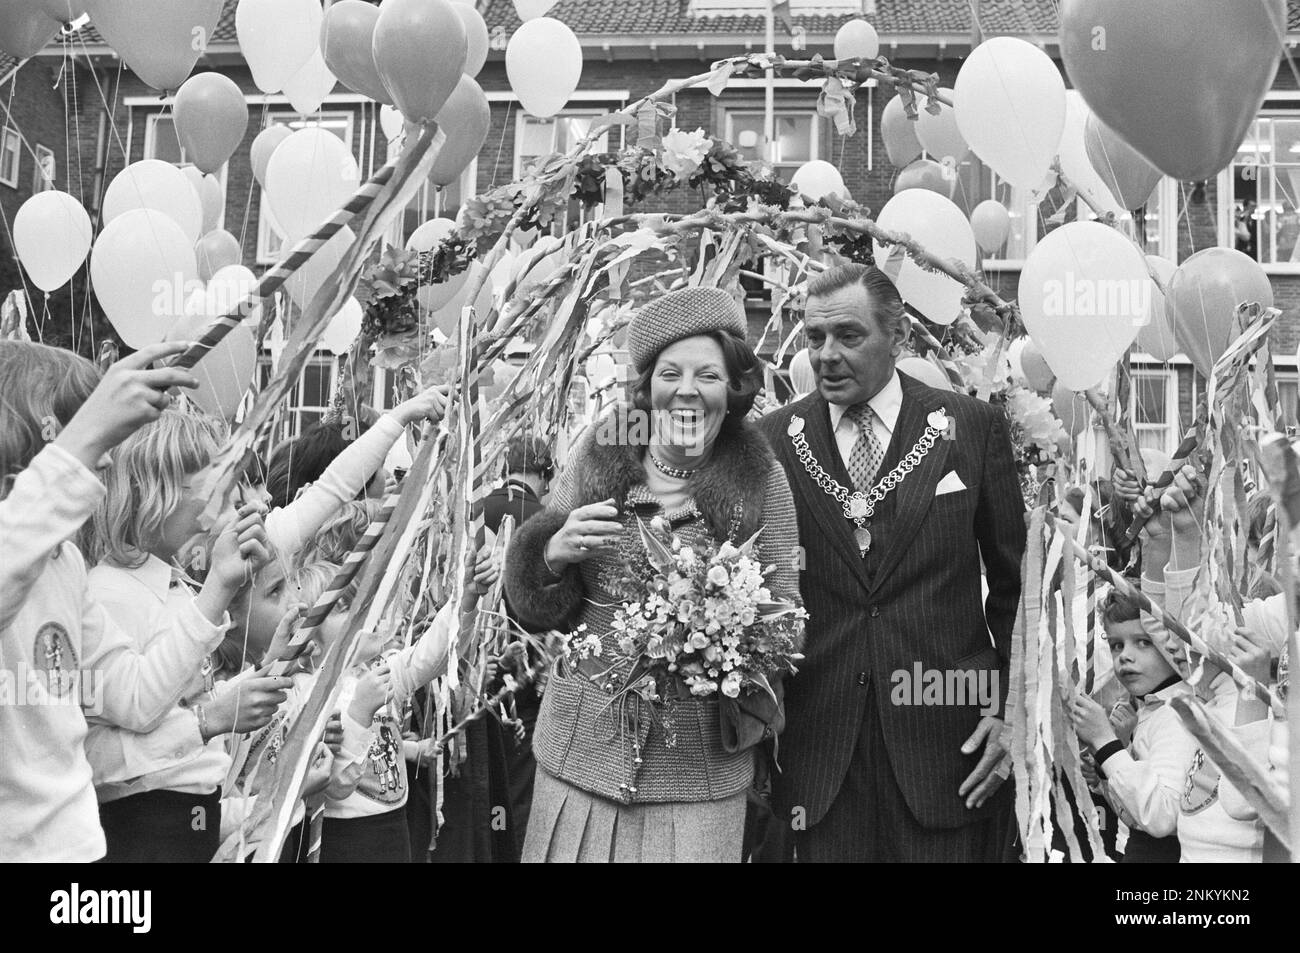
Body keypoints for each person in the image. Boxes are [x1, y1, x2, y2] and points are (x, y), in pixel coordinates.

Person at [505, 285, 801, 863]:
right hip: (579, 755)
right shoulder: (600, 453)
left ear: (734, 387)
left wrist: (723, 640)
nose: (686, 391)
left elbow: (788, 625)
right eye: (670, 373)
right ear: (647, 387)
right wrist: (551, 554)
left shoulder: (761, 479)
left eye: (708, 375)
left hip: (699, 775)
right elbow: (528, 605)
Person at [758, 264, 1026, 862]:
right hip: (819, 758)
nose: (826, 354)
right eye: (814, 337)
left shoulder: (971, 429)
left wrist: (1015, 709)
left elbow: (1017, 590)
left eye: (848, 336)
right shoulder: (774, 442)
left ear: (898, 335)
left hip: (953, 753)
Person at [0, 340, 268, 862]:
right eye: (89, 432)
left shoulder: (65, 564)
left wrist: (218, 587)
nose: (105, 459)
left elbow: (137, 699)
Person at [85, 404, 292, 863]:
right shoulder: (110, 593)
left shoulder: (175, 586)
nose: (227, 504)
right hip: (143, 826)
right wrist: (218, 586)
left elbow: (187, 701)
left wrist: (266, 669)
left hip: (190, 819)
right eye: (213, 489)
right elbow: (135, 714)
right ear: (154, 496)